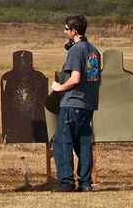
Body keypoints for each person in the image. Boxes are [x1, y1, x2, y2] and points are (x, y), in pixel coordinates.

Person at [51, 14, 101, 193]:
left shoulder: (76, 50)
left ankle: (66, 182)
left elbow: (75, 78)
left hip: (73, 103)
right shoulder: (94, 50)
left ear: (74, 31)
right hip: (88, 104)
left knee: (62, 142)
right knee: (83, 143)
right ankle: (86, 183)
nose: (64, 32)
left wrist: (59, 88)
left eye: (66, 29)